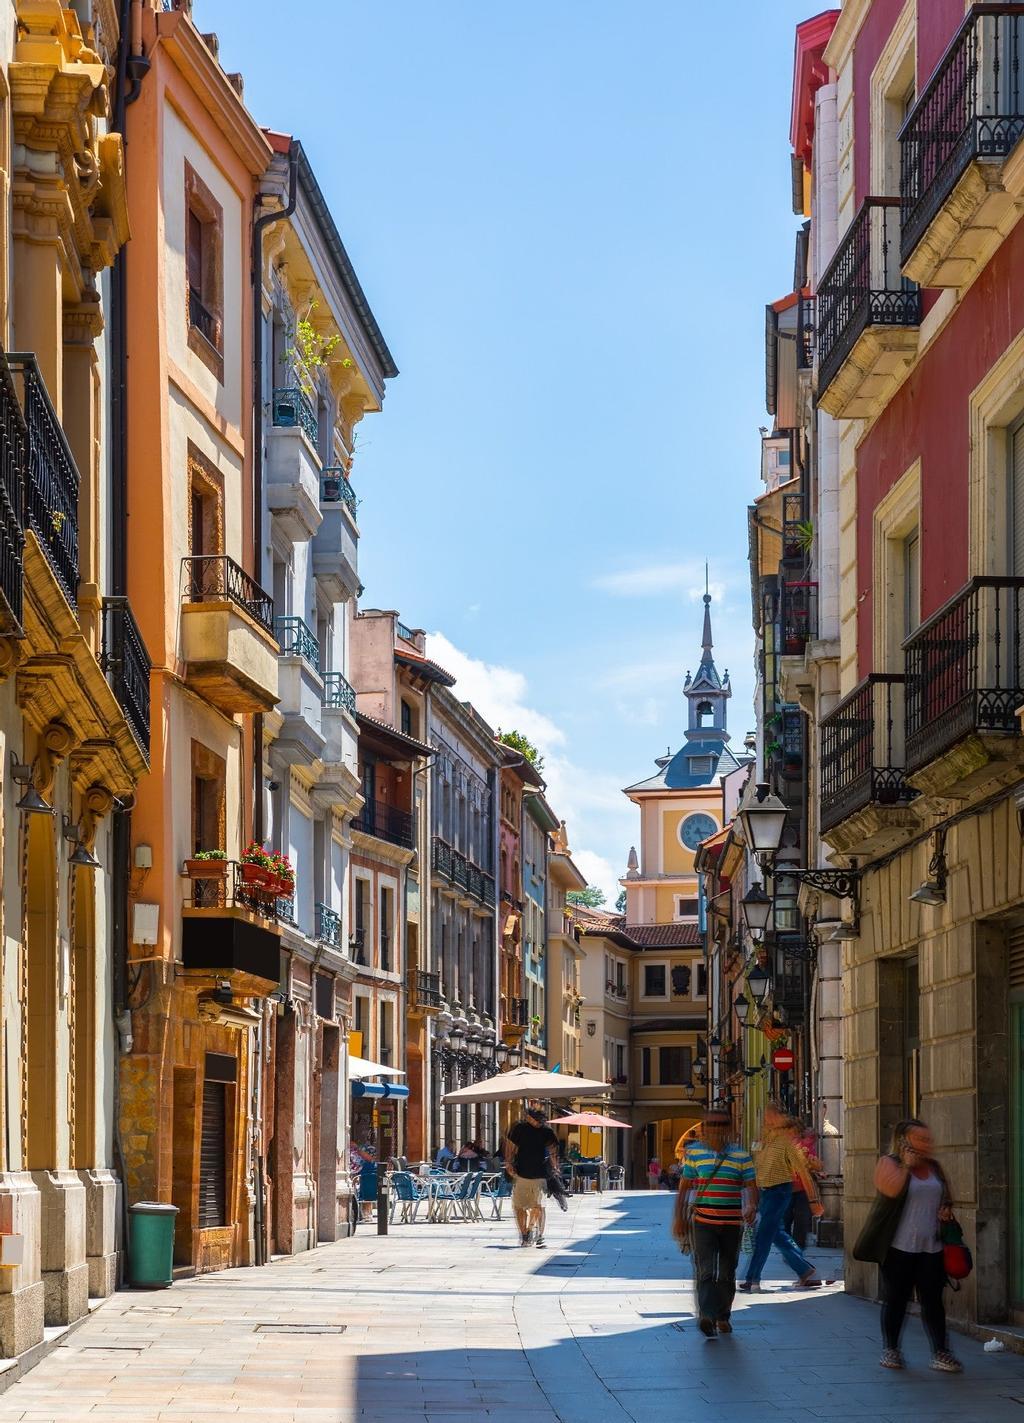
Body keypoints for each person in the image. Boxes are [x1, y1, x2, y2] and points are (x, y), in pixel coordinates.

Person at [874, 1119, 962, 1373]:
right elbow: (889, 1190)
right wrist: (906, 1167)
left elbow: (945, 1196)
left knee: (933, 1301)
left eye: (928, 1139)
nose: (927, 1144)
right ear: (904, 1141)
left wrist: (946, 1210)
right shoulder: (888, 1163)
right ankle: (891, 1349)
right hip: (898, 1246)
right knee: (896, 1299)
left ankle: (941, 1352)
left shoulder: (935, 1167)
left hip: (931, 1246)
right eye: (920, 1139)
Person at [674, 1107, 757, 1336]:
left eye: (721, 1125)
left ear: (729, 1128)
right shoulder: (694, 1154)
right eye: (711, 1124)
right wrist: (679, 1218)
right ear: (704, 1128)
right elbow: (684, 1189)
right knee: (706, 1271)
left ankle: (723, 1315)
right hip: (703, 1222)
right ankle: (707, 1316)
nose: (716, 1129)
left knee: (727, 1272)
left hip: (732, 1224)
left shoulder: (741, 1156)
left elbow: (752, 1186)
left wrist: (751, 1205)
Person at [739, 1103, 824, 1292]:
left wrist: (813, 1200)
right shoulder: (764, 1140)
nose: (767, 1120)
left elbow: (802, 1171)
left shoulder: (787, 1142)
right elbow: (757, 1166)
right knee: (776, 1234)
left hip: (780, 1191)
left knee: (764, 1235)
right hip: (766, 1192)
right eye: (766, 1116)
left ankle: (753, 1278)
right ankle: (805, 1271)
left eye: (771, 1116)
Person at [506, 1106, 558, 1247]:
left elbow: (553, 1150)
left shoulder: (547, 1131)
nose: (536, 1122)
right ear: (529, 1117)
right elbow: (510, 1146)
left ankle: (530, 1230)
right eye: (534, 1119)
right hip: (521, 1173)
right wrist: (508, 1163)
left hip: (540, 1175)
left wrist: (554, 1166)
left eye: (538, 1120)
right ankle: (524, 1234)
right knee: (518, 1207)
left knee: (537, 1206)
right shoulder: (519, 1129)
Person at [783, 1122, 823, 1250]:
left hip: (795, 1188)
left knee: (788, 1219)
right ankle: (795, 1248)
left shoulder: (803, 1146)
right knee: (798, 1220)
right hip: (796, 1188)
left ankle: (791, 1248)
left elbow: (813, 1164)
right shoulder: (802, 1146)